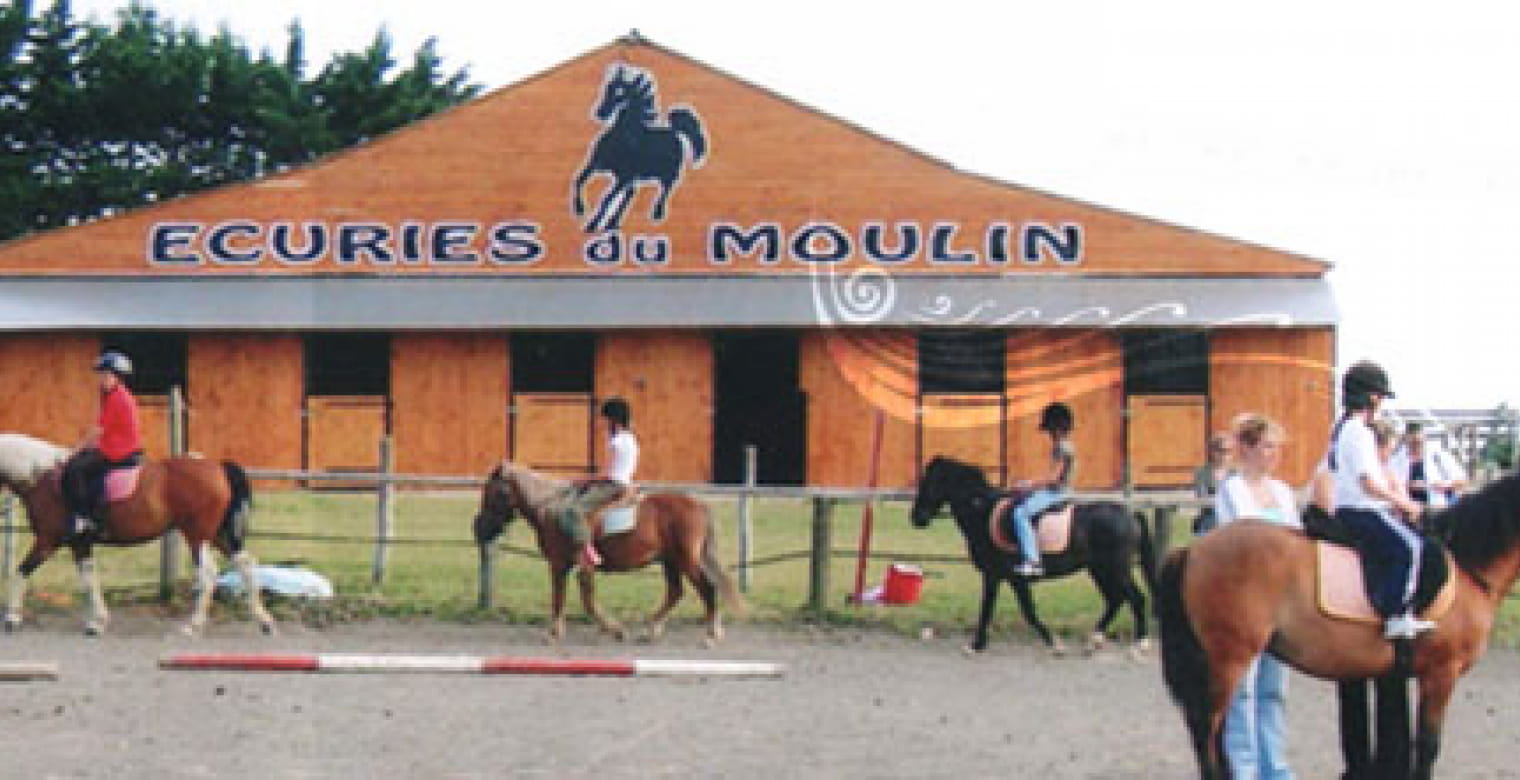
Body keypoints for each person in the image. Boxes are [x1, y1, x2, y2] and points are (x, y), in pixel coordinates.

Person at [1215, 413, 1299, 780]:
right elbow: (1237, 540)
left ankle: (1275, 765)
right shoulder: (1232, 491)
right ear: (1247, 448)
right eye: (1266, 446)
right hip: (1246, 599)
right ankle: (1244, 767)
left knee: (1273, 688)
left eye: (1276, 447)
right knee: (1243, 691)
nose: (1273, 454)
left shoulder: (1283, 492)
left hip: (1282, 601)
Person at [1325, 361, 1429, 639]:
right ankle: (1396, 615)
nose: (1381, 404)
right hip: (1362, 509)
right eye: (1380, 397)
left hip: (1350, 507)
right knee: (1411, 547)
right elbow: (1368, 484)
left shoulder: (1341, 427)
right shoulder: (1358, 431)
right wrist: (1404, 503)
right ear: (1372, 397)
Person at [62, 350, 143, 540]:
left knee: (75, 469)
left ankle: (84, 517)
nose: (102, 379)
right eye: (101, 375)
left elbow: (98, 430)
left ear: (118, 377)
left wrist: (75, 450)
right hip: (113, 446)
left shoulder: (117, 398)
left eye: (107, 375)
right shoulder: (113, 395)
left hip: (118, 451)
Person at [558, 397, 639, 569]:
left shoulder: (616, 442)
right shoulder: (630, 438)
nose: (602, 423)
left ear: (613, 419)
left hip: (612, 485)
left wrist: (581, 480)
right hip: (625, 482)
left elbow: (606, 474)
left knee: (573, 510)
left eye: (605, 419)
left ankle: (586, 549)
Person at [1007, 402, 1076, 577]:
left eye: (1051, 429)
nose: (1050, 434)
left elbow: (1053, 478)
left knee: (1020, 513)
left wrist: (1027, 484)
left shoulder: (1062, 448)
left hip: (1057, 493)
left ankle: (1032, 560)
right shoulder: (1063, 446)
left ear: (1058, 428)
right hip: (1057, 490)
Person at [1388, 422, 1468, 512]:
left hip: (1438, 510)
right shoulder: (1395, 460)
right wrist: (1408, 485)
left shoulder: (1439, 455)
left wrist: (1445, 485)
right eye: (1412, 443)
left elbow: (1462, 481)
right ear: (1405, 439)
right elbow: (1388, 487)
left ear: (1424, 438)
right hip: (1407, 511)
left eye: (1419, 442)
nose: (1416, 446)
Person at [1191, 432, 1233, 534]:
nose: (1225, 455)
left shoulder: (1236, 473)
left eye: (1229, 451)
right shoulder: (1202, 472)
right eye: (1221, 451)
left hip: (1232, 518)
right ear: (1213, 452)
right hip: (1210, 517)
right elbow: (1202, 497)